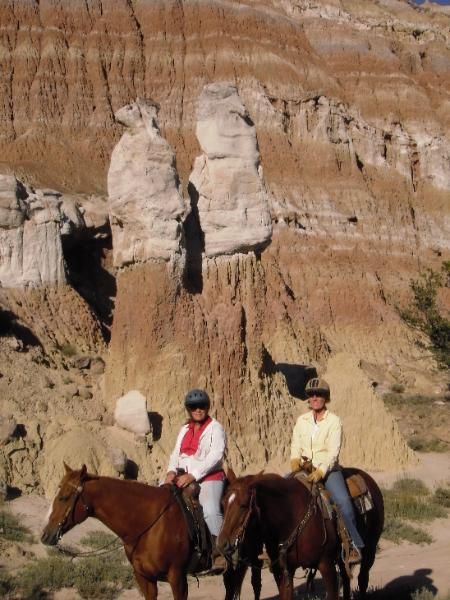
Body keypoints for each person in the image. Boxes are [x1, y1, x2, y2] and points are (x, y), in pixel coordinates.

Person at [290, 377, 364, 564]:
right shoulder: (302, 420)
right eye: (312, 395)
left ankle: (352, 545)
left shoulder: (334, 421)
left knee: (343, 502)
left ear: (326, 398)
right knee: (279, 493)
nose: (315, 397)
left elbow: (333, 452)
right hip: (304, 468)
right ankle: (277, 545)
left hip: (329, 470)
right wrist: (294, 460)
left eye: (319, 394)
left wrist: (321, 471)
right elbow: (296, 443)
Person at [164, 389, 227, 571]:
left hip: (209, 476)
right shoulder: (184, 429)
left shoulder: (216, 427)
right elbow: (176, 453)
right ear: (188, 409)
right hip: (182, 476)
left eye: (202, 406)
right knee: (159, 499)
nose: (198, 410)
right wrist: (170, 472)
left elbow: (215, 455)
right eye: (193, 407)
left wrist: (194, 475)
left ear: (207, 407)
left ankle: (219, 553)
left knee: (210, 509)